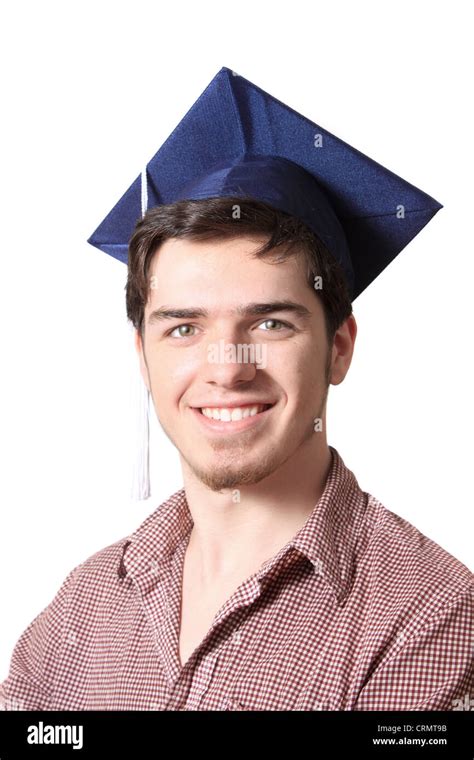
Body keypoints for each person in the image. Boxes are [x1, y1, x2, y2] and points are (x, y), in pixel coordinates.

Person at [1, 67, 472, 711]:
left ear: (339, 346)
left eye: (271, 322)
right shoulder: (81, 611)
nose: (227, 367)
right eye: (184, 327)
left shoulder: (430, 618)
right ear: (143, 355)